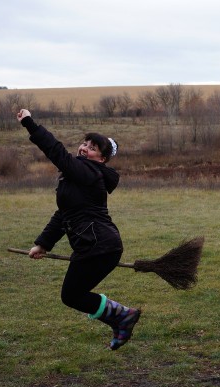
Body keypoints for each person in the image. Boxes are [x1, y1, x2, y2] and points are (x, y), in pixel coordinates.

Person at [16, 109, 140, 350]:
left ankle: (123, 316)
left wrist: (30, 124)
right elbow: (64, 215)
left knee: (72, 295)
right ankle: (122, 318)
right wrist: (42, 244)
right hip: (96, 245)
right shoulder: (77, 177)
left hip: (99, 246)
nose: (84, 148)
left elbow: (57, 153)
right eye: (84, 143)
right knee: (73, 295)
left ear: (102, 159)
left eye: (92, 148)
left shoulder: (89, 173)